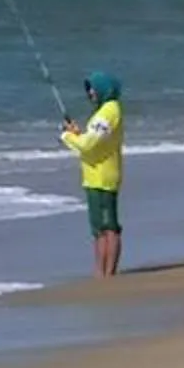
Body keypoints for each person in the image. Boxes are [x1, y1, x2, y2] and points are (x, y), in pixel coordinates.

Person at [60, 69, 126, 278]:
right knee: (98, 229)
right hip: (92, 177)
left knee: (109, 228)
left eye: (93, 89)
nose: (90, 94)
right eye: (88, 90)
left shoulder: (110, 110)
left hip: (105, 177)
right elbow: (93, 140)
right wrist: (77, 134)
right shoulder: (102, 113)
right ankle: (100, 272)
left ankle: (109, 273)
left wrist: (68, 137)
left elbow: (89, 144)